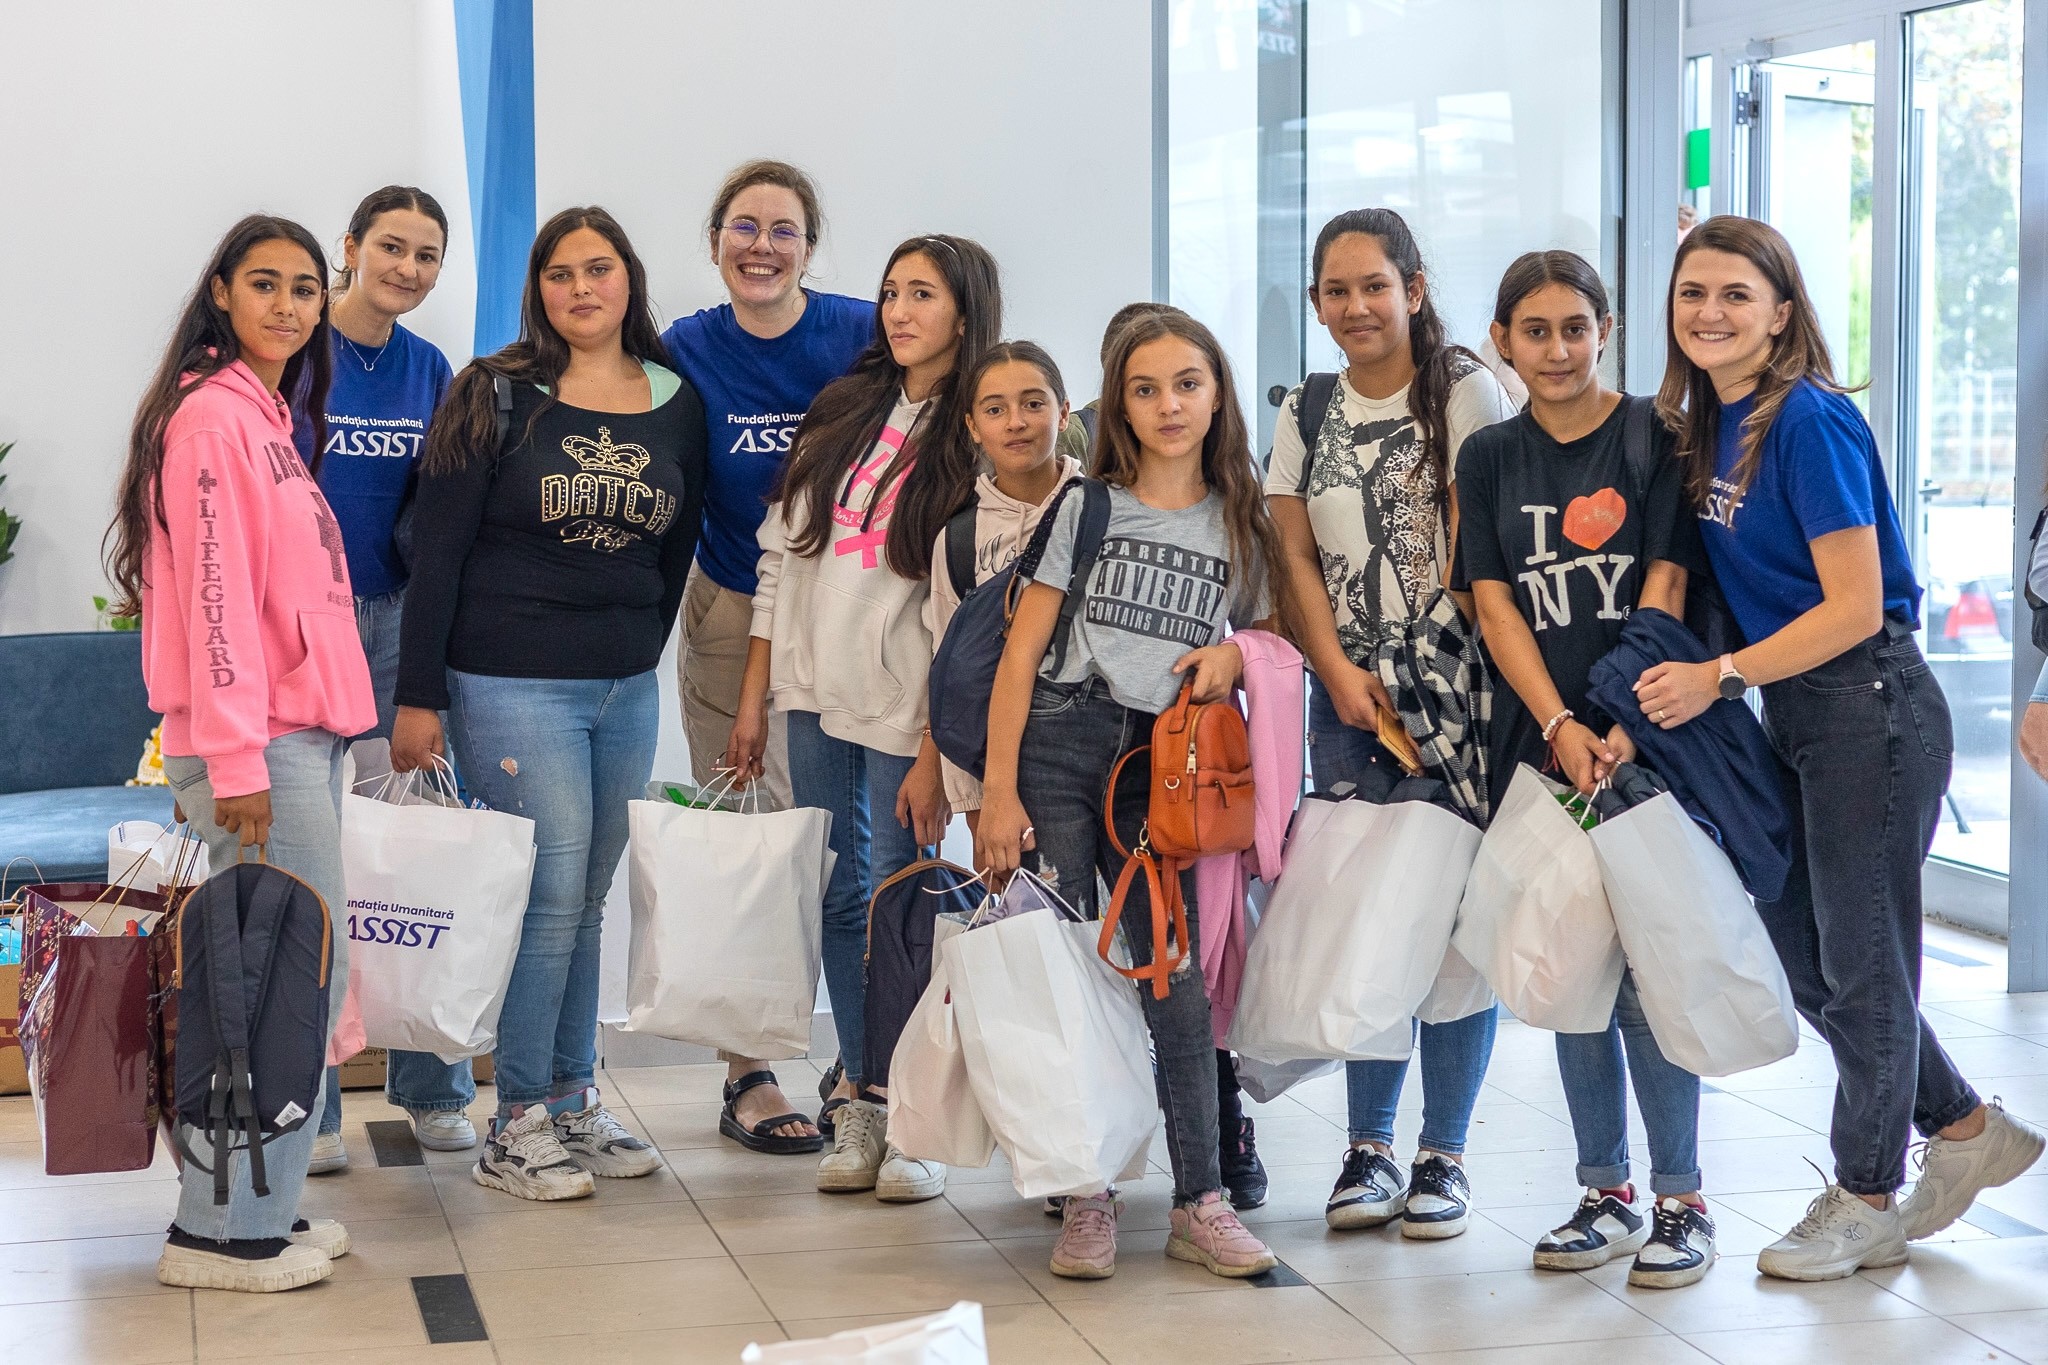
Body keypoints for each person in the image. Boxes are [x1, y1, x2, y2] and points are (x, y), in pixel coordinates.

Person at [1640, 215, 2045, 1280]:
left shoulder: (1806, 422)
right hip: (1801, 715)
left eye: (1735, 293)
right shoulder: (1711, 425)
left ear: (1782, 312)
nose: (1709, 313)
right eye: (1692, 293)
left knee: (1864, 967)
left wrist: (1718, 677)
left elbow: (1856, 604)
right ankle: (1958, 1124)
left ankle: (1865, 1192)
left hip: (1871, 705)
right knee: (1813, 959)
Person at [389, 206, 708, 1202]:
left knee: (585, 903)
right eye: (561, 273)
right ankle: (516, 1119)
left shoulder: (673, 398)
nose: (581, 288)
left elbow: (677, 544)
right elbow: (435, 550)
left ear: (628, 280)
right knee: (545, 900)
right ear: (540, 289)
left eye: (599, 269)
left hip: (622, 688)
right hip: (509, 680)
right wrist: (418, 695)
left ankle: (572, 1100)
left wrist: (633, 660)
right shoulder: (497, 391)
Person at [977, 309, 1287, 1282]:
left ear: (1215, 393)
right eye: (1145, 388)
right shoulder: (1088, 505)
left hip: (1166, 763)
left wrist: (1236, 653)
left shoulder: (1241, 517)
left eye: (1185, 384)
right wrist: (995, 792)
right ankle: (1086, 1195)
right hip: (1063, 747)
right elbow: (1019, 654)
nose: (1165, 405)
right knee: (1069, 971)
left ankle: (1199, 1200)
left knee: (1172, 977)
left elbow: (1272, 643)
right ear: (1120, 401)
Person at [108, 213, 367, 1291]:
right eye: (265, 284)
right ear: (221, 292)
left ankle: (259, 1204)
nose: (289, 306)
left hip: (289, 737)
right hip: (256, 749)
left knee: (283, 976)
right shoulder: (215, 421)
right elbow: (216, 607)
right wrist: (239, 759)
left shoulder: (260, 414)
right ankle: (224, 1235)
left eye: (307, 289)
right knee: (269, 984)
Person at [1456, 250, 1717, 1289]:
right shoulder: (1486, 454)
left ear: (1604, 328)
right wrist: (1559, 719)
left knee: (1655, 975)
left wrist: (1611, 714)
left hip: (1650, 734)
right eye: (1534, 331)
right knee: (1572, 972)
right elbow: (1491, 602)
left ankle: (1681, 1199)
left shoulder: (1650, 432)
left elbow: (1664, 575)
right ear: (1502, 340)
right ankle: (1603, 1190)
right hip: (1550, 739)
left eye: (1575, 327)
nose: (1556, 349)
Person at [723, 235, 1000, 1193]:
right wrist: (756, 695)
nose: (897, 310)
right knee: (840, 892)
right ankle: (862, 1099)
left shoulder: (979, 428)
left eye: (920, 293)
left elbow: (970, 612)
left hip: (906, 708)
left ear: (965, 310)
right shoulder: (847, 408)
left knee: (903, 896)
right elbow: (779, 555)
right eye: (889, 292)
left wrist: (935, 746)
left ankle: (911, 1116)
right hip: (812, 690)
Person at [1264, 207, 1514, 1241]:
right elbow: (1290, 548)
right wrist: (1334, 668)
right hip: (1346, 696)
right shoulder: (1306, 402)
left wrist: (1412, 681)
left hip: (1458, 693)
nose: (1355, 306)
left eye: (1375, 285)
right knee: (1367, 910)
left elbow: (1477, 544)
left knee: (1455, 924)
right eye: (1336, 290)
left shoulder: (1462, 388)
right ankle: (1366, 1148)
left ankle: (1440, 1153)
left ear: (1412, 287)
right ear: (1317, 302)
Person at [660, 161, 874, 1154]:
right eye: (742, 227)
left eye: (782, 230)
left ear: (808, 247)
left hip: (852, 613)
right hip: (730, 609)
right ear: (714, 244)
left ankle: (861, 1059)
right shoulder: (684, 350)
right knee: (746, 838)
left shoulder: (859, 333)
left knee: (846, 847)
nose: (760, 245)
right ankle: (746, 1070)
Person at [291, 185, 466, 1174]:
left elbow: (435, 513)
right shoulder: (294, 352)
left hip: (399, 621)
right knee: (318, 870)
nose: (406, 268)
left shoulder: (428, 368)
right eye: (390, 247)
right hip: (306, 633)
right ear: (350, 246)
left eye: (425, 255)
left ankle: (432, 1085)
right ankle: (311, 1111)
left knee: (419, 851)